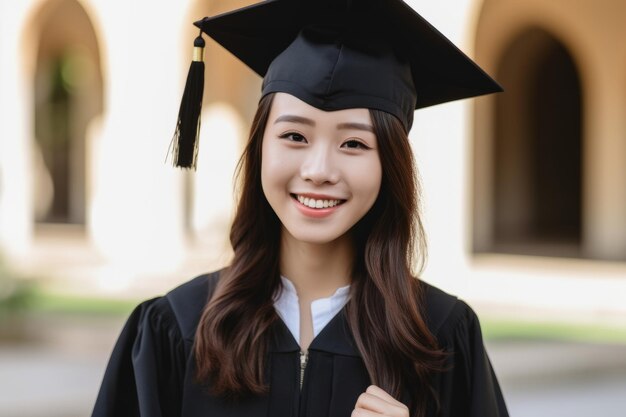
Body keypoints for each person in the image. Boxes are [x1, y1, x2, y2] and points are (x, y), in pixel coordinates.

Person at [92, 0, 508, 416]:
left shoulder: (442, 338)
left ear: (390, 166)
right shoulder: (175, 331)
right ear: (259, 148)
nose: (318, 170)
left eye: (354, 144)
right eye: (294, 136)